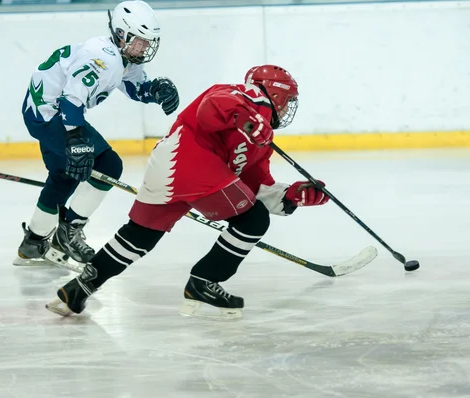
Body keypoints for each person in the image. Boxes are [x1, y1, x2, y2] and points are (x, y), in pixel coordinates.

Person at [45, 65, 331, 319]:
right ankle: (204, 281)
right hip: (190, 161)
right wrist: (247, 118)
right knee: (252, 219)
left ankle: (78, 290)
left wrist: (293, 195)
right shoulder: (248, 96)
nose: (287, 108)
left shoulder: (260, 139)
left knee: (140, 235)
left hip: (169, 165)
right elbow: (212, 107)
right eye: (288, 101)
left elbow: (257, 187)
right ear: (276, 95)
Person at [13, 0, 179, 270]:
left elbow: (134, 87)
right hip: (49, 114)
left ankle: (33, 242)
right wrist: (76, 140)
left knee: (63, 176)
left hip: (41, 111)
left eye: (148, 42)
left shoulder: (123, 55)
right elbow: (70, 102)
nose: (145, 47)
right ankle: (69, 232)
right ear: (122, 34)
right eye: (140, 41)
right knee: (109, 164)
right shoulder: (103, 58)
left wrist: (154, 92)